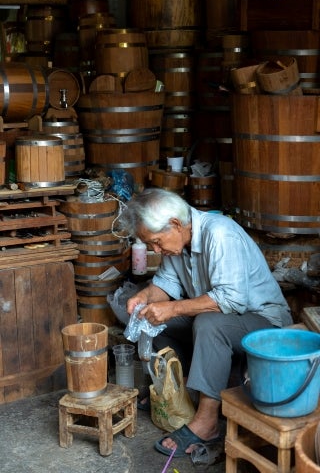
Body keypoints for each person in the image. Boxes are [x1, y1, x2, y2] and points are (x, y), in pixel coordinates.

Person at [118, 188, 293, 459]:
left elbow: (231, 301)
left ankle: (208, 422)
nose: (155, 250)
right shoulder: (176, 244)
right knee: (153, 321)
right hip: (225, 321)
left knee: (208, 324)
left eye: (156, 242)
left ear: (175, 224)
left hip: (265, 325)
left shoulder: (220, 234)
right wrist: (144, 297)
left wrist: (173, 308)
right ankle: (179, 394)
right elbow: (166, 285)